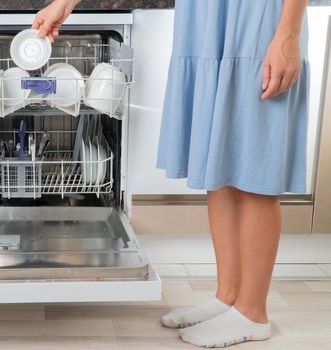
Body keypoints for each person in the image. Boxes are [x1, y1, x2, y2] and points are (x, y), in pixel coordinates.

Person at [33, 0, 309, 347]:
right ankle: (228, 298)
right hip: (206, 19)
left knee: (253, 168)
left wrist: (288, 33)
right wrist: (65, 3)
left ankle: (253, 314)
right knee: (218, 166)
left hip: (256, 18)